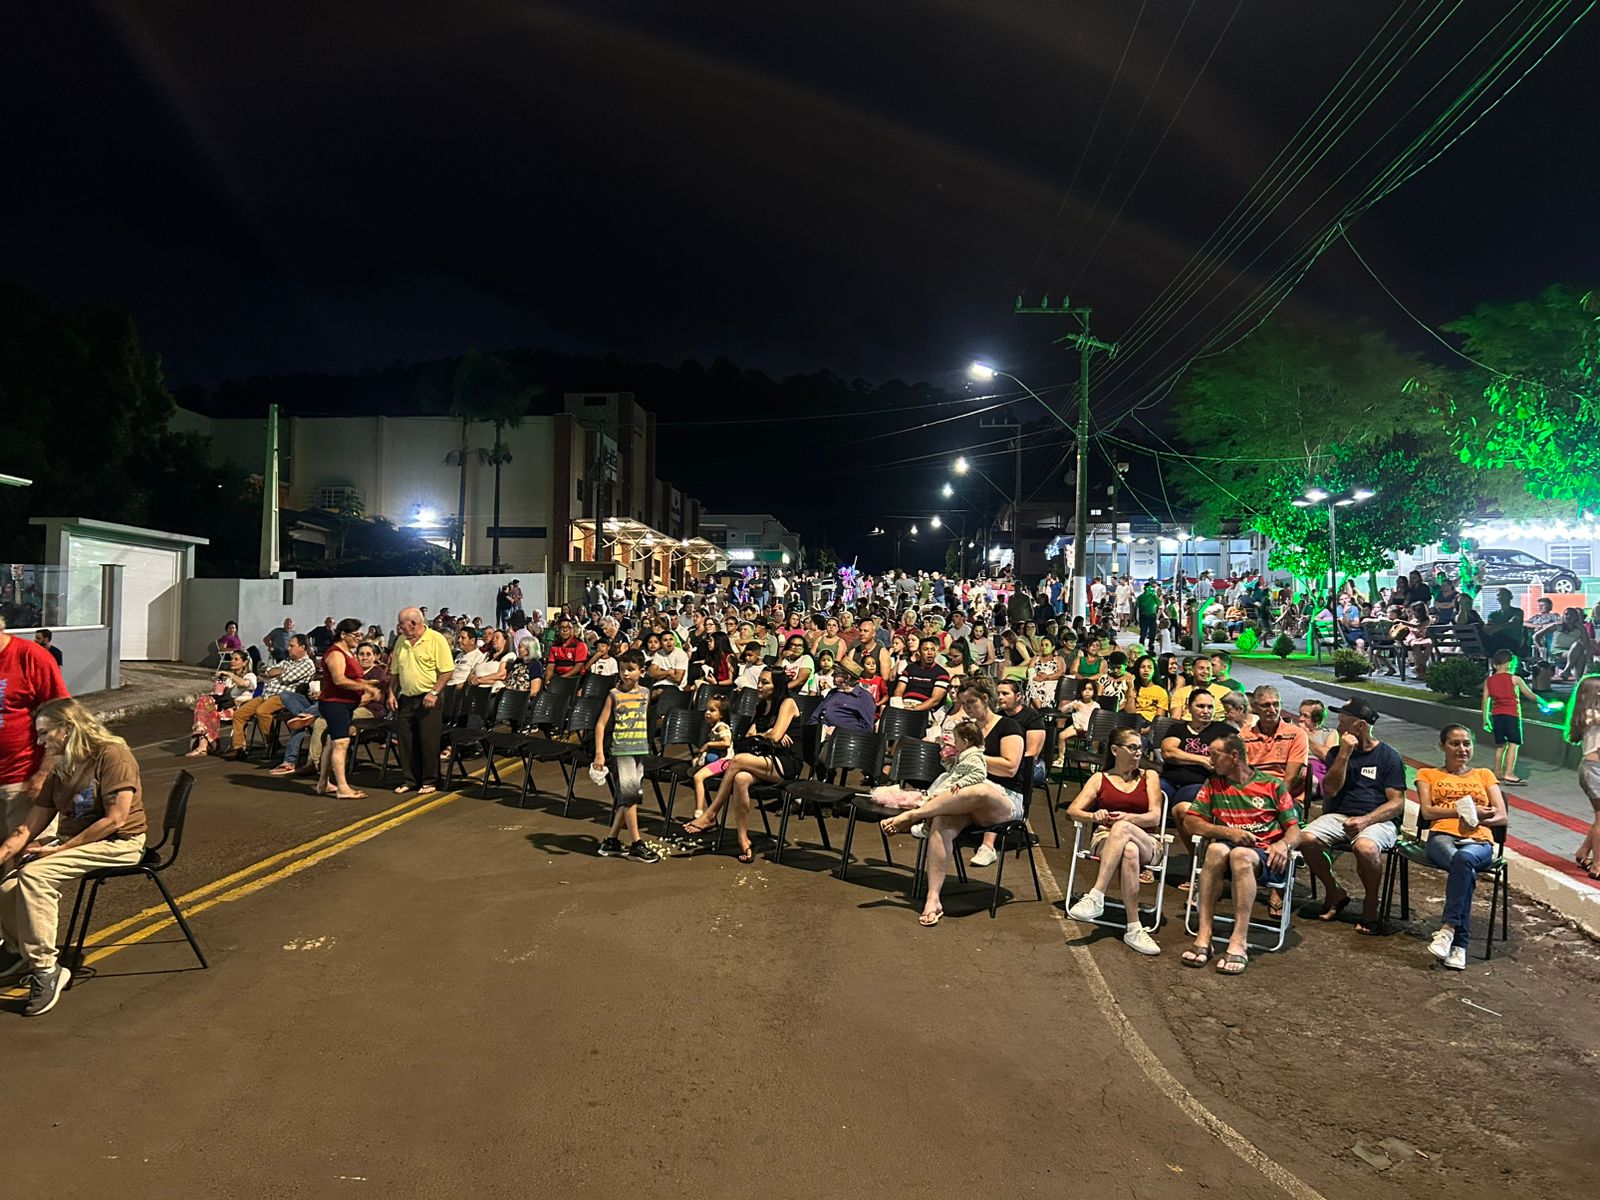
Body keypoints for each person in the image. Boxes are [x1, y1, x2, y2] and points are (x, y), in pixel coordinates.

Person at [0, 698, 148, 1015]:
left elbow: (116, 819)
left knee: (35, 875)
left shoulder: (112, 755)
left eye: (44, 733)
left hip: (121, 842)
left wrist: (60, 849)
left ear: (67, 729)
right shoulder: (63, 767)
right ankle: (18, 952)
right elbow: (27, 828)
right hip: (76, 841)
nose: (39, 741)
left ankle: (45, 970)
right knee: (6, 887)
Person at [879, 677, 1028, 927]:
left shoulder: (1008, 726)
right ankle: (933, 898)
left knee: (979, 790)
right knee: (942, 821)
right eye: (963, 703)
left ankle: (913, 815)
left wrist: (969, 754)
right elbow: (959, 770)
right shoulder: (967, 729)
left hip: (1002, 798)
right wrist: (950, 756)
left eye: (971, 702)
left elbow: (1010, 767)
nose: (967, 708)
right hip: (966, 796)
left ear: (984, 699)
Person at [1180, 734, 1300, 975]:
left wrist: (1284, 845)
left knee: (1241, 856)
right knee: (1215, 849)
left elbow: (1295, 830)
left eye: (1214, 755)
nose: (1209, 760)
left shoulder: (1272, 785)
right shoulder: (1214, 784)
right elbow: (1191, 821)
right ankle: (1204, 935)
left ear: (1234, 756)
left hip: (1264, 855)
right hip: (1229, 848)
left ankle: (1239, 941)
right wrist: (1227, 832)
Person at [1297, 699, 1405, 932]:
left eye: (1343, 723)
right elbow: (1332, 789)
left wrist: (1366, 820)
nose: (1338, 727)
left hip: (1377, 819)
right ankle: (1335, 891)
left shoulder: (1388, 756)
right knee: (1305, 839)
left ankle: (1370, 903)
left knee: (1365, 848)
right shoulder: (1338, 752)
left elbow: (1397, 803)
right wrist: (1344, 754)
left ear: (1360, 726)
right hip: (1339, 815)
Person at [683, 667, 803, 863]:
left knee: (737, 761)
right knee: (740, 778)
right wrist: (768, 734)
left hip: (786, 762)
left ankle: (711, 814)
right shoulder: (761, 706)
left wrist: (770, 734)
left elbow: (775, 736)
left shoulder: (787, 703)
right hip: (765, 759)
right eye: (760, 681)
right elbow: (751, 736)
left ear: (777, 685)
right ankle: (743, 840)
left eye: (765, 682)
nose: (760, 685)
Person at [1065, 727, 1165, 955]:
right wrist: (1093, 815)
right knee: (1128, 851)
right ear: (1114, 750)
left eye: (1140, 748)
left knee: (1123, 829)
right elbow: (1073, 810)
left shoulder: (1150, 776)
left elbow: (1155, 816)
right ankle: (1134, 927)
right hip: (1106, 838)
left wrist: (1129, 819)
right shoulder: (1100, 778)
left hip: (1146, 839)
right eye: (1132, 748)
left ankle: (1096, 894)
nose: (1138, 753)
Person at [1414, 724, 1507, 969]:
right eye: (1455, 743)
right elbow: (1427, 811)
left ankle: (1448, 931)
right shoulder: (1427, 774)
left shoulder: (1484, 775)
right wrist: (1466, 811)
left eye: (1467, 743)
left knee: (1464, 862)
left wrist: (1477, 818)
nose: (1462, 749)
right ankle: (1459, 946)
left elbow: (1502, 816)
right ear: (1442, 746)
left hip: (1479, 841)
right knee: (1463, 867)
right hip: (1442, 836)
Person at [0, 611, 70, 831]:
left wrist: (43, 775)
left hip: (21, 782)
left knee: (26, 858)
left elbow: (62, 718)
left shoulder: (31, 657)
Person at [591, 651, 661, 863]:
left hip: (639, 750)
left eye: (630, 669)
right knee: (630, 798)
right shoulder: (614, 694)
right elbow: (601, 724)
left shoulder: (646, 694)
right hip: (622, 751)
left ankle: (611, 841)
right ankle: (637, 843)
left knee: (630, 796)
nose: (625, 674)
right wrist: (599, 754)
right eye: (622, 670)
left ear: (641, 671)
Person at [388, 606, 456, 796]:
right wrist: (391, 693)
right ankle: (410, 779)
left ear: (414, 623)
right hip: (406, 697)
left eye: (402, 624)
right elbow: (395, 671)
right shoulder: (401, 641)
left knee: (428, 740)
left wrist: (434, 692)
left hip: (428, 697)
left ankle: (430, 780)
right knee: (406, 740)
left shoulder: (436, 639)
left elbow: (447, 670)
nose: (399, 628)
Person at [315, 618, 378, 800]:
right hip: (336, 703)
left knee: (331, 742)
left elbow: (354, 678)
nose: (359, 638)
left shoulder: (348, 652)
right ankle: (342, 787)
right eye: (356, 635)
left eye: (360, 634)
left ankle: (323, 783)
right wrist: (365, 688)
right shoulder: (336, 653)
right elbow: (339, 680)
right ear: (343, 635)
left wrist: (368, 683)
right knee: (341, 744)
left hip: (344, 704)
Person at [233, 633, 319, 762]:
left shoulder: (307, 664)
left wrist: (279, 672)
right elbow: (268, 671)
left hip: (285, 697)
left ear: (302, 647)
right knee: (239, 714)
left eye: (292, 646)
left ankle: (270, 742)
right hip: (267, 694)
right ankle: (239, 748)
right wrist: (277, 672)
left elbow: (286, 678)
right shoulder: (289, 660)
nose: (288, 648)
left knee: (262, 711)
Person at [1482, 649, 1540, 785]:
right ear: (1510, 663)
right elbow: (1529, 694)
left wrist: (1485, 719)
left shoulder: (1489, 681)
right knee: (1513, 744)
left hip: (1497, 716)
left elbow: (1485, 701)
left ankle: (1497, 772)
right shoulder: (1514, 679)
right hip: (1512, 715)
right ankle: (1509, 773)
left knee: (1500, 745)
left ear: (1495, 664)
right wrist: (1543, 702)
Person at [188, 650, 256, 757]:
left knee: (208, 713)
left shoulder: (250, 676)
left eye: (236, 659)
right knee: (204, 701)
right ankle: (203, 743)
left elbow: (244, 684)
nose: (232, 661)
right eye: (232, 659)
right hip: (225, 707)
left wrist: (230, 674)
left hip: (241, 709)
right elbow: (219, 694)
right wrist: (220, 681)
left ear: (245, 662)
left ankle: (204, 744)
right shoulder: (229, 679)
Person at [1568, 675, 1600, 879]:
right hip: (1594, 770)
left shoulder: (1588, 715)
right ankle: (1597, 864)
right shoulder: (1592, 715)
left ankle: (1583, 852)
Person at [687, 696, 734, 820]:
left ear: (721, 715)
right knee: (694, 764)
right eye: (707, 710)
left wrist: (708, 745)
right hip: (717, 759)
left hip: (725, 761)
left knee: (698, 777)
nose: (707, 713)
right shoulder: (714, 726)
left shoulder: (721, 727)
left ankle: (699, 811)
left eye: (712, 710)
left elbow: (726, 743)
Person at [892, 637, 951, 713]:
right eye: (926, 649)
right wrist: (899, 706)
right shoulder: (910, 668)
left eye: (932, 649)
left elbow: (935, 700)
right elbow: (899, 690)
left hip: (924, 709)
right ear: (919, 652)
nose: (930, 653)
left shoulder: (941, 673)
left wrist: (914, 709)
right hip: (904, 705)